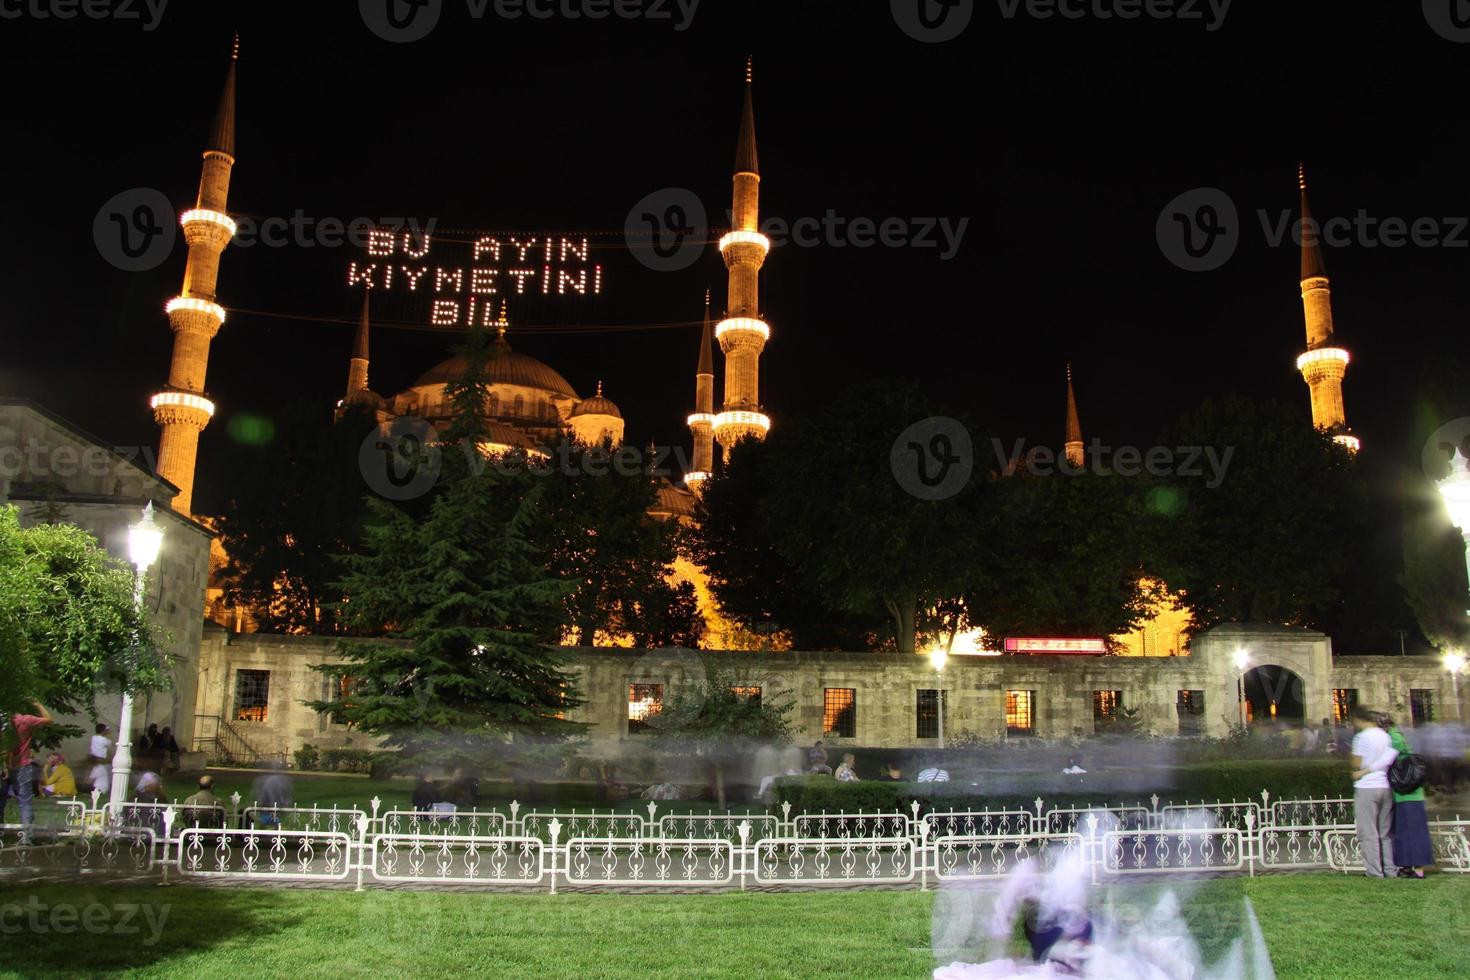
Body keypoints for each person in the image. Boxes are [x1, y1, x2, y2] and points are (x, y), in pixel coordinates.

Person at [1349, 705, 1398, 878]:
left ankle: (1374, 871)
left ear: (1359, 719)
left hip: (1366, 786)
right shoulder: (1385, 736)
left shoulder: (1361, 738)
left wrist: (1356, 768)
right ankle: (1390, 869)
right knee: (1385, 832)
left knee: (1368, 832)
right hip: (1384, 785)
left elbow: (1356, 764)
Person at [1383, 715, 1432, 879]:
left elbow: (1386, 760)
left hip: (1407, 794)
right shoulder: (1402, 735)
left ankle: (1417, 867)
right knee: (1407, 830)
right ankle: (1408, 865)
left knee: (1412, 831)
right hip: (1409, 794)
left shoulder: (1393, 738)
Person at [7, 701, 52, 838]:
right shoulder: (25, 720)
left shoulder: (5, 721)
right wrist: (37, 704)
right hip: (21, 765)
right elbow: (49, 719)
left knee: (1, 801)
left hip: (4, 765)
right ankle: (26, 837)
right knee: (24, 802)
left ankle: (2, 833)